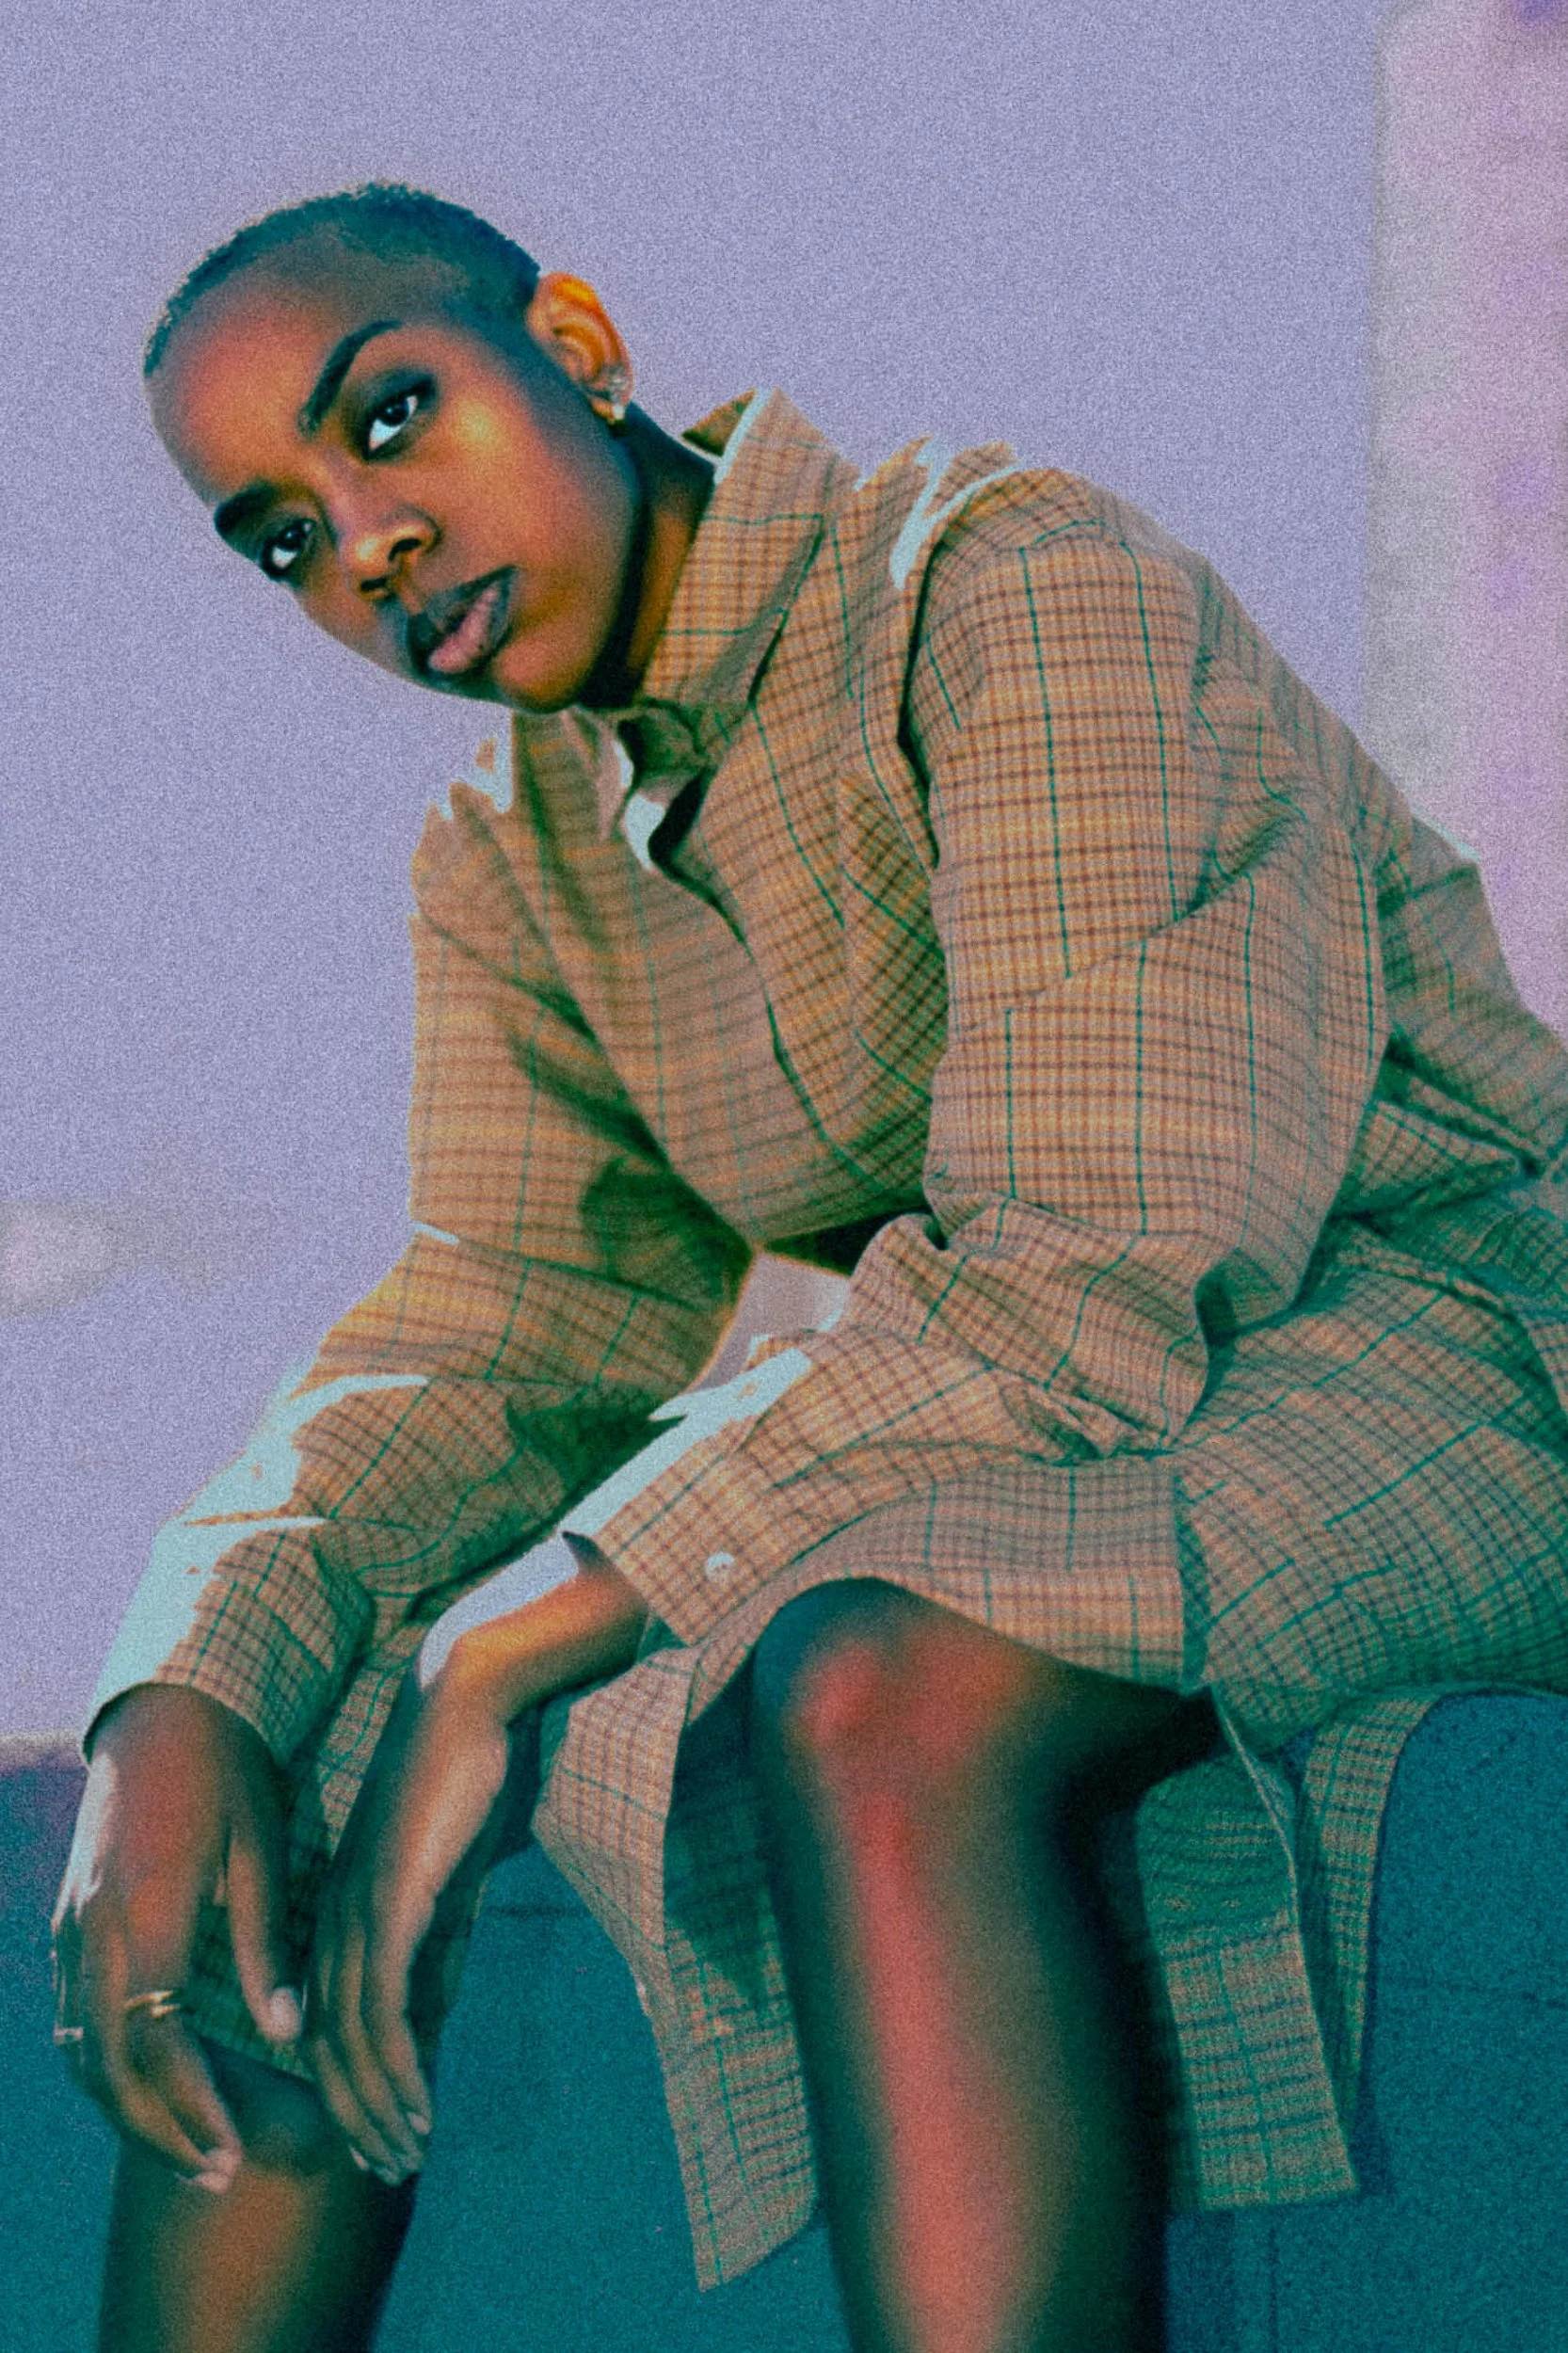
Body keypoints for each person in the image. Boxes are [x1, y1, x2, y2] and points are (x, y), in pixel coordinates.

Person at [51, 181, 1568, 2353]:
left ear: (573, 337)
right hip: (1084, 1418)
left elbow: (1077, 1258)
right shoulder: (519, 848)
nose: (365, 547)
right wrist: (186, 1680)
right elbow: (502, 1323)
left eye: (389, 418)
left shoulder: (1008, 581)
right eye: (282, 536)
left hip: (1452, 1358)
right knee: (302, 1733)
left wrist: (516, 1647)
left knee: (872, 1671)